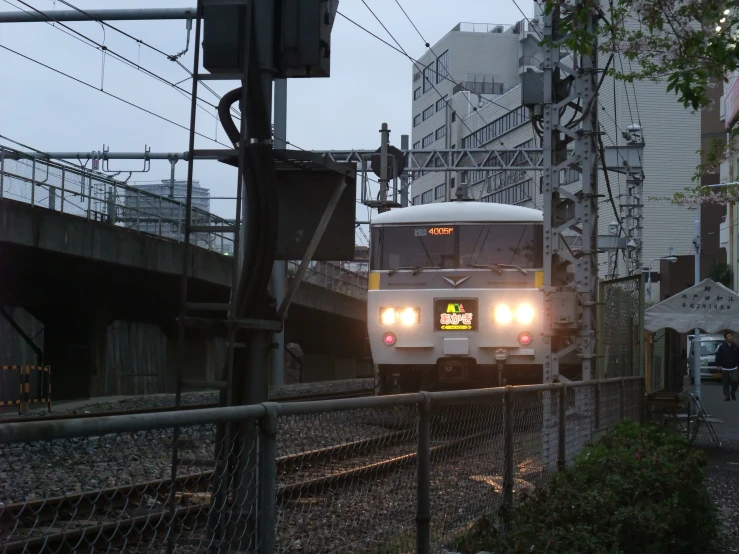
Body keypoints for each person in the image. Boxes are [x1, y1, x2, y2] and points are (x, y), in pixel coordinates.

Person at [714, 331, 739, 401]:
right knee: (725, 382)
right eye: (728, 336)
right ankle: (727, 396)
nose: (730, 337)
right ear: (725, 338)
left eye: (731, 336)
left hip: (734, 367)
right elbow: (718, 356)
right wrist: (718, 365)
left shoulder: (736, 346)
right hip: (725, 367)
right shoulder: (721, 346)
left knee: (735, 380)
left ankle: (733, 392)